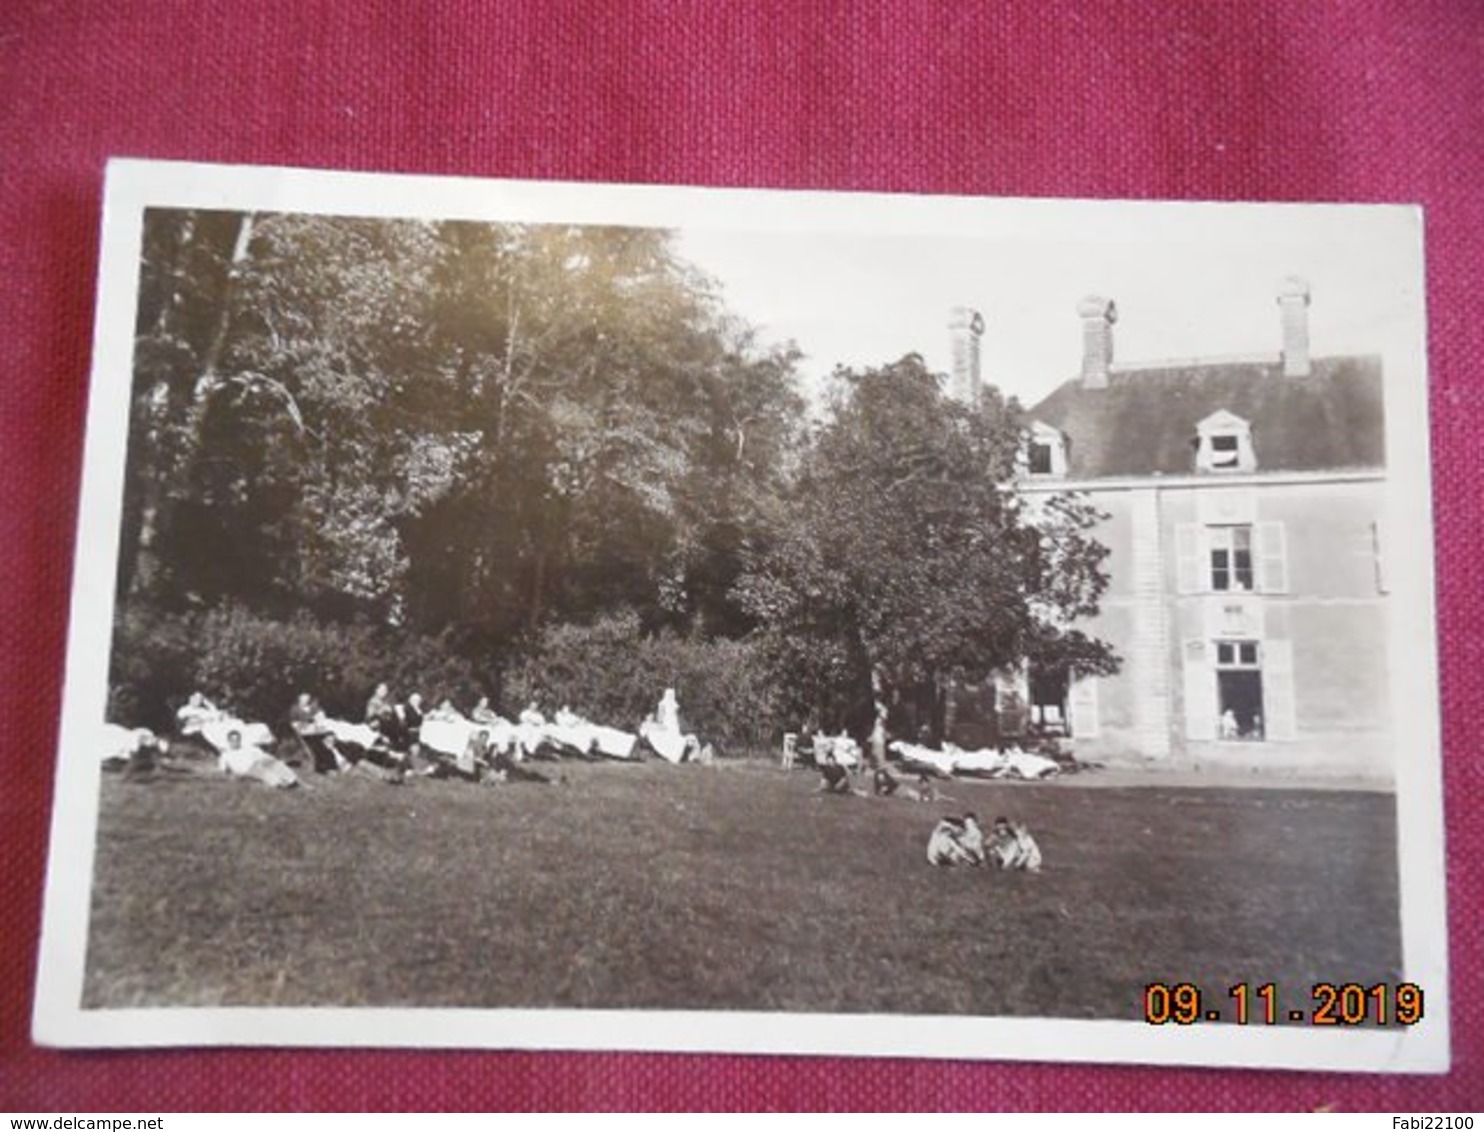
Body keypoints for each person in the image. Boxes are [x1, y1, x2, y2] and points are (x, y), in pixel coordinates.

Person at [219, 729, 299, 789]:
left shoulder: (247, 748)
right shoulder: (226, 754)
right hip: (247, 769)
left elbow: (261, 754)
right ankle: (280, 784)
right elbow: (224, 770)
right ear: (229, 741)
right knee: (262, 770)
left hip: (257, 763)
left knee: (274, 763)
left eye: (237, 740)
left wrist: (268, 759)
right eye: (233, 740)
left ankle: (292, 780)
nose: (235, 742)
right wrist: (233, 775)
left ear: (240, 740)